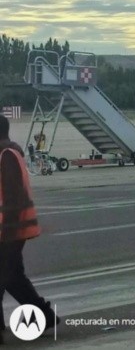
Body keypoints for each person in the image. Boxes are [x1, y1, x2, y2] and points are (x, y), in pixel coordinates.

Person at [0, 116, 59, 344]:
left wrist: (6, 233)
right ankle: (45, 318)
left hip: (10, 231)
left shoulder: (7, 157)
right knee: (13, 277)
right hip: (11, 230)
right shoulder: (8, 154)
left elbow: (13, 198)